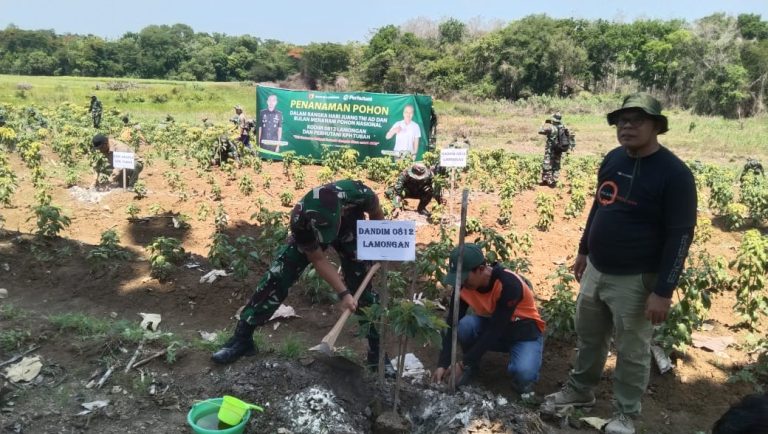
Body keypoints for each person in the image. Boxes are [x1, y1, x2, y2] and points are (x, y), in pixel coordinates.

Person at [543, 93, 697, 434]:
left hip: (637, 279)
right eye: (621, 121)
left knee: (632, 350)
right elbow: (600, 205)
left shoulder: (675, 175)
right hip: (597, 269)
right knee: (590, 338)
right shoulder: (613, 159)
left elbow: (681, 236)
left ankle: (626, 413)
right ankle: (581, 391)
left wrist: (663, 290)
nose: (626, 126)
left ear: (657, 125)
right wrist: (584, 250)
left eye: (636, 120)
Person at [211, 179, 396, 376]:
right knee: (278, 274)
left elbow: (376, 214)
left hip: (350, 226)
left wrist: (378, 245)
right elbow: (317, 259)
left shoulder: (358, 192)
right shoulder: (300, 219)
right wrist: (343, 293)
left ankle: (377, 355)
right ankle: (242, 338)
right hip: (312, 232)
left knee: (364, 290)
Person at [432, 244, 546, 394]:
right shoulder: (463, 287)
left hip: (524, 332)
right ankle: (472, 366)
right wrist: (443, 363)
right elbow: (451, 324)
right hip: (496, 328)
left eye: (465, 278)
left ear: (480, 269)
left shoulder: (509, 284)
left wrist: (462, 363)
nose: (461, 283)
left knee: (524, 373)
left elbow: (495, 330)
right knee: (464, 326)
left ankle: (522, 382)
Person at [538, 112, 574, 187]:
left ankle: (546, 180)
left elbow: (540, 131)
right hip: (559, 149)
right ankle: (554, 181)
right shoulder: (563, 127)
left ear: (553, 120)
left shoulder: (551, 128)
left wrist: (543, 123)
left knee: (547, 164)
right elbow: (570, 136)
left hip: (550, 149)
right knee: (556, 164)